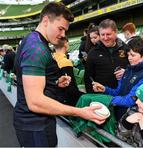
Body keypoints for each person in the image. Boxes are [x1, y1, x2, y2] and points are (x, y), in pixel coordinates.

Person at [13, 2, 106, 147]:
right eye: (60, 28)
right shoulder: (36, 49)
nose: (63, 35)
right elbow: (35, 102)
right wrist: (80, 112)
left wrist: (54, 83)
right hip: (35, 125)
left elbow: (30, 83)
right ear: (45, 21)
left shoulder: (34, 40)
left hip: (36, 122)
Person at [92, 37, 143, 119]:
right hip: (121, 114)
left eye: (133, 55)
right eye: (128, 55)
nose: (129, 58)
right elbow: (118, 92)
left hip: (132, 119)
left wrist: (107, 99)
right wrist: (105, 89)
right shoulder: (130, 68)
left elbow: (130, 100)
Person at [84, 19, 129, 93]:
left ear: (115, 32)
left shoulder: (126, 48)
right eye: (102, 35)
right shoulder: (93, 53)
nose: (105, 38)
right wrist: (92, 96)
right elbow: (88, 78)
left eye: (108, 34)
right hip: (102, 96)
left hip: (124, 94)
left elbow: (135, 69)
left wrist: (126, 72)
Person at [53, 36, 83, 106]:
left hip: (55, 97)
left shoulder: (51, 59)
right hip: (67, 100)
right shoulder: (65, 62)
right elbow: (70, 87)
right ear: (66, 44)